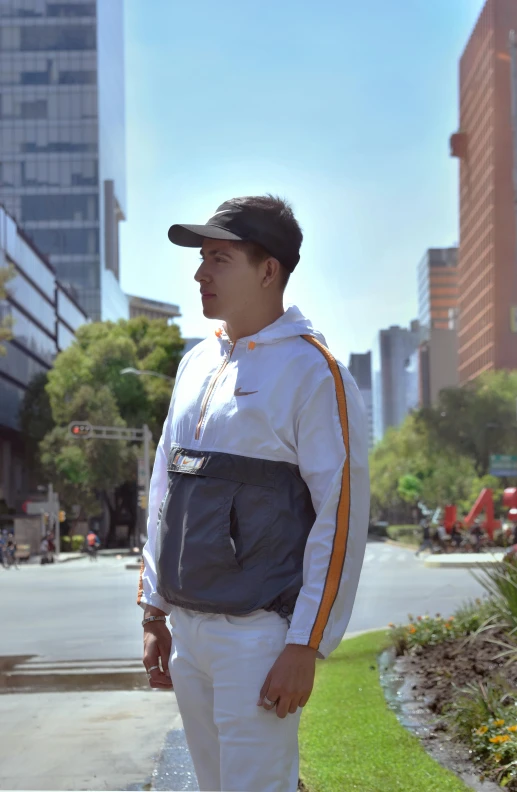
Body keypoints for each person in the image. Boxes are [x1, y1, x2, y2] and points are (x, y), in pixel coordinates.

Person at [137, 195, 370, 792]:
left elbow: (340, 519)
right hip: (188, 630)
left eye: (219, 258)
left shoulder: (314, 373)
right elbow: (164, 486)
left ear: (269, 270)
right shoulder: (195, 363)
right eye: (201, 258)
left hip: (259, 636)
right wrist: (154, 608)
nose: (199, 273)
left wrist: (305, 645)